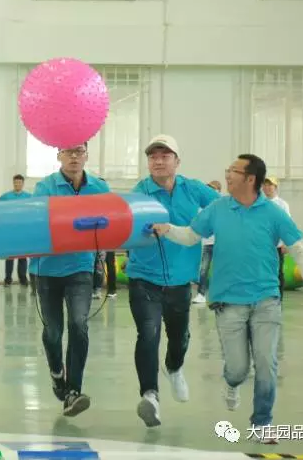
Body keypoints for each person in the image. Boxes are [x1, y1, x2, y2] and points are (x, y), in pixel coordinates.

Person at [153, 154, 303, 444]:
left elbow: (299, 248)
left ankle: (262, 423)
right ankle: (232, 383)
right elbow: (191, 236)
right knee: (237, 369)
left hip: (266, 299)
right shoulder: (217, 208)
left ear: (250, 179)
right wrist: (167, 229)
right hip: (228, 301)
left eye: (233, 171)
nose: (227, 175)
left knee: (267, 363)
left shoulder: (273, 213)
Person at [126, 135, 220, 427]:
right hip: (144, 277)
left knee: (179, 337)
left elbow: (222, 209)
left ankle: (174, 367)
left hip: (180, 280)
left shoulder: (193, 189)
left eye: (164, 156)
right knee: (148, 332)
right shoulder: (140, 193)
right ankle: (150, 396)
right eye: (153, 156)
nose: (158, 161)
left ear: (177, 161)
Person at [33, 142, 110, 417]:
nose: (74, 156)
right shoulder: (45, 187)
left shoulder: (100, 188)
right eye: (68, 152)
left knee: (79, 324)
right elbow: (41, 221)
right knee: (53, 332)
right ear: (59, 156)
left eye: (79, 151)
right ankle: (57, 373)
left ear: (86, 155)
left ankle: (73, 391)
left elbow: (111, 221)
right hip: (48, 269)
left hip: (80, 267)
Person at [0, 174, 31, 287]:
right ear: (13, 183)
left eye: (19, 182)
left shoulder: (29, 197)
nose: (17, 184)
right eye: (16, 182)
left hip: (23, 231)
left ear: (23, 184)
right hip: (10, 231)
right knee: (10, 257)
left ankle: (23, 279)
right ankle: (8, 279)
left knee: (23, 257)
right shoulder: (6, 197)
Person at [192, 180, 222, 304]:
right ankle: (201, 294)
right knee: (204, 269)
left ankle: (220, 295)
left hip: (221, 243)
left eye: (213, 189)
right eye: (208, 188)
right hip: (207, 243)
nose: (210, 191)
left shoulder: (223, 206)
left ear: (218, 191)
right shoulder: (202, 208)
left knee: (221, 269)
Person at [262, 177, 291, 300]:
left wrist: (285, 242)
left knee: (278, 272)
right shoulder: (260, 203)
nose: (267, 187)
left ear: (275, 187)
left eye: (270, 185)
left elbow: (287, 225)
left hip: (277, 245)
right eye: (265, 185)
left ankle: (278, 299)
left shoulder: (282, 204)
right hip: (262, 245)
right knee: (262, 272)